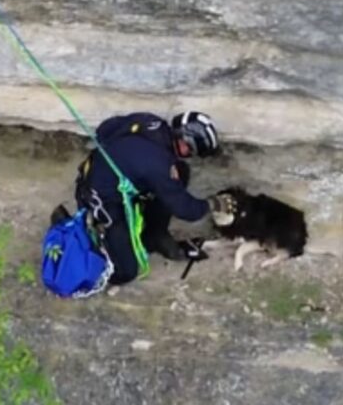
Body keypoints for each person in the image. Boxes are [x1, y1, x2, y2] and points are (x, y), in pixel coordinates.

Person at [65, 110, 234, 285]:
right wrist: (212, 204)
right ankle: (90, 244)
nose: (191, 155)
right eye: (192, 151)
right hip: (100, 196)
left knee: (180, 172)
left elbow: (105, 129)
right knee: (126, 271)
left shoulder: (152, 122)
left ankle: (155, 234)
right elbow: (186, 209)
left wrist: (125, 160)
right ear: (186, 143)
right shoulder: (159, 165)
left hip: (102, 172)